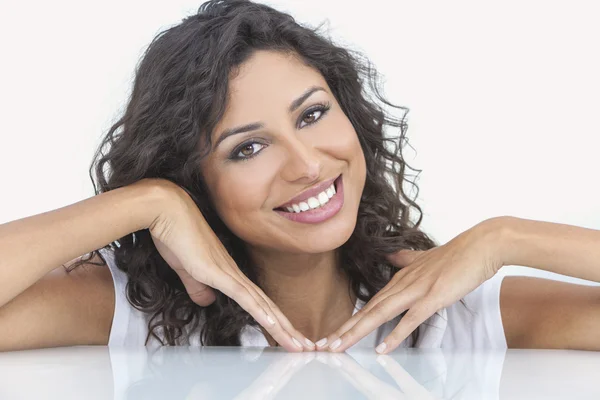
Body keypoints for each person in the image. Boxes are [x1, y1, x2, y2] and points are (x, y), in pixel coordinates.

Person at [1, 0, 599, 353]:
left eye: (313, 115)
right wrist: (147, 203)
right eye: (248, 148)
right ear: (194, 181)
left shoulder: (447, 314)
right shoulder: (141, 314)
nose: (308, 164)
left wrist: (504, 239)